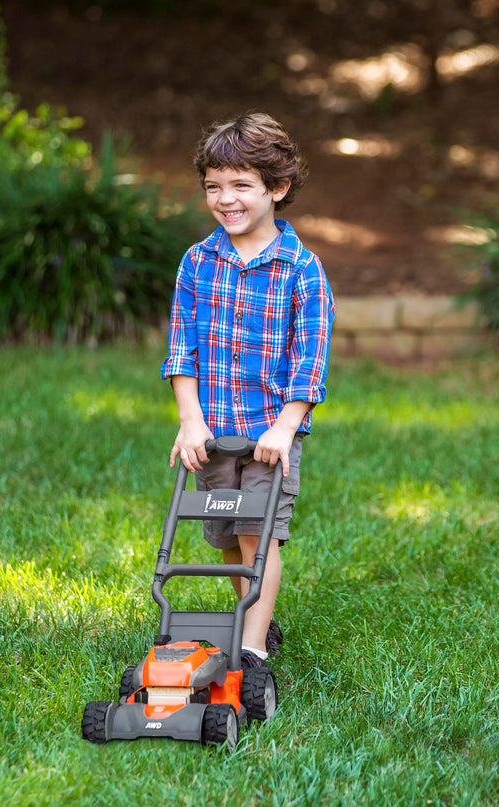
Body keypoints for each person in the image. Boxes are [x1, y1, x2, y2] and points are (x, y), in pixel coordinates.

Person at [161, 112, 334, 670]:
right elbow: (181, 348)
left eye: (241, 185)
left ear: (276, 188)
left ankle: (252, 647)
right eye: (214, 186)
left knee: (259, 534)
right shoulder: (197, 262)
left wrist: (285, 427)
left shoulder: (301, 269)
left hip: (268, 432)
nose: (225, 199)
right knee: (227, 536)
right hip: (213, 429)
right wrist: (190, 420)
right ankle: (253, 615)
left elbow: (309, 362)